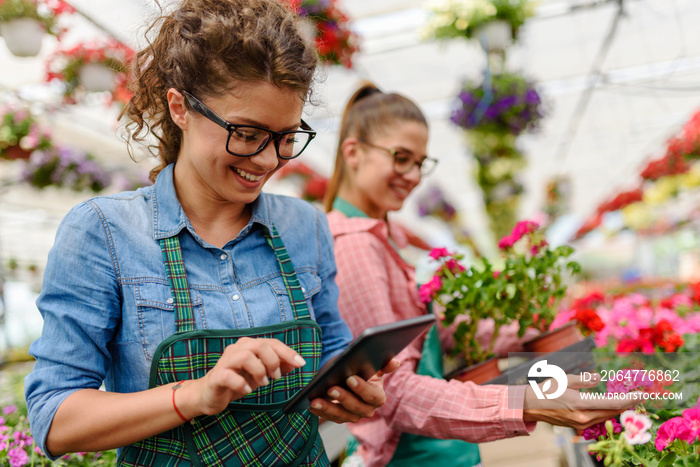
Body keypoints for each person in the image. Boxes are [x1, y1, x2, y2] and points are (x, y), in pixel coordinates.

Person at [24, 3, 398, 465]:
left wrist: (350, 387)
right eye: (245, 133)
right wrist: (194, 396)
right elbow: (54, 418)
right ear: (179, 107)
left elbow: (333, 349)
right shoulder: (104, 232)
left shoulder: (305, 226)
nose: (267, 160)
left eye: (284, 137)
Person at [324, 83, 637, 467]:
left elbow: (435, 336)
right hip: (411, 457)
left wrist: (542, 325)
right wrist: (526, 402)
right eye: (401, 157)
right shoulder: (353, 244)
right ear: (353, 153)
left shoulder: (380, 239)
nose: (413, 175)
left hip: (436, 451)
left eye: (420, 162)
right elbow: (394, 392)